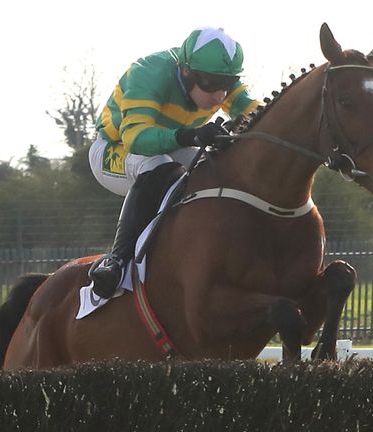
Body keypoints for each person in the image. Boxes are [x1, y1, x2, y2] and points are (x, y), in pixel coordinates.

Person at [87, 27, 259, 299]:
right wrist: (190, 135)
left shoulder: (215, 78)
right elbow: (136, 138)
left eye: (226, 84)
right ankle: (116, 262)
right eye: (210, 84)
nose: (218, 96)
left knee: (215, 170)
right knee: (158, 168)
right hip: (114, 148)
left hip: (172, 146)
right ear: (186, 71)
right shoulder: (149, 73)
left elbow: (257, 112)